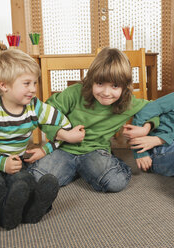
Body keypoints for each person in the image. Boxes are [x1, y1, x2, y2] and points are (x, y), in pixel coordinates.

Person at [0, 49, 84, 230]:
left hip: (16, 159)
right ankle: (3, 215)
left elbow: (64, 126)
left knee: (23, 183)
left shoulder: (35, 106)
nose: (33, 89)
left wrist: (46, 149)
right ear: (4, 86)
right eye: (27, 83)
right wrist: (0, 163)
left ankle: (31, 212)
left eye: (34, 83)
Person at [28, 47, 158, 193]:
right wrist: (65, 135)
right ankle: (79, 170)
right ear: (91, 81)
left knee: (115, 182)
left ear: (124, 87)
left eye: (115, 86)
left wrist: (146, 128)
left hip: (95, 151)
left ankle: (99, 166)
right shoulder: (75, 93)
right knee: (35, 179)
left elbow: (155, 108)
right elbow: (44, 113)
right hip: (63, 148)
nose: (106, 93)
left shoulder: (127, 103)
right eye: (100, 84)